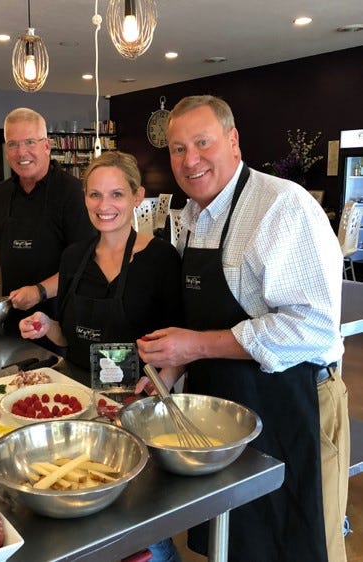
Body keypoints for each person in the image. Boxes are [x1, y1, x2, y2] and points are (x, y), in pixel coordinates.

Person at [136, 95, 349, 562]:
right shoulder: (192, 217)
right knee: (236, 542)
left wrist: (194, 346)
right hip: (228, 412)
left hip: (293, 407)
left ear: (233, 141)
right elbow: (206, 315)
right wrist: (173, 367)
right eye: (177, 148)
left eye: (202, 142)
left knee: (297, 541)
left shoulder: (280, 206)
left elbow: (312, 328)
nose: (189, 160)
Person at [20, 151, 184, 562]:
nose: (104, 206)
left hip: (137, 410)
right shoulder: (73, 258)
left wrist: (161, 381)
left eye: (115, 194)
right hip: (78, 405)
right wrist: (45, 326)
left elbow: (180, 344)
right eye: (94, 195)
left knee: (138, 522)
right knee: (83, 519)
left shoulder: (161, 259)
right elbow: (68, 336)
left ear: (137, 197)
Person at [0, 108, 95, 333]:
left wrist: (39, 292)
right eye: (13, 144)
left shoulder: (73, 193)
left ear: (47, 146)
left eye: (29, 142)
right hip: (12, 318)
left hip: (61, 321)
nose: (21, 153)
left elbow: (84, 265)